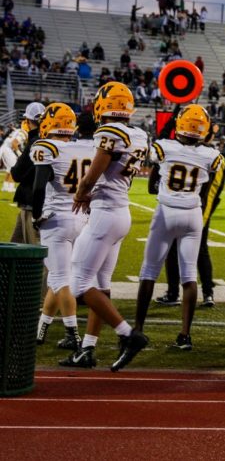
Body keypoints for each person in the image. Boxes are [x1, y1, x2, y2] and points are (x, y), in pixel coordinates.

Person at [62, 82, 150, 371]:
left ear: (103, 105)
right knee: (100, 284)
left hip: (104, 214)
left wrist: (81, 192)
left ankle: (128, 334)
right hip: (119, 211)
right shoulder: (140, 134)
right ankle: (87, 349)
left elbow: (94, 172)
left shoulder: (110, 132)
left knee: (79, 283)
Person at [132, 106, 223, 350]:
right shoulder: (211, 155)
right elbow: (206, 190)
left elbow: (152, 179)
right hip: (193, 214)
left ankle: (138, 328)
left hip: (166, 211)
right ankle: (184, 335)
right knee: (189, 276)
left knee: (149, 271)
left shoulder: (165, 147)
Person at [31, 105, 95, 351]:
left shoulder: (47, 148)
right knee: (59, 279)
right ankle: (42, 328)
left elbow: (38, 189)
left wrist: (37, 216)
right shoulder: (87, 146)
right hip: (83, 218)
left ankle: (72, 335)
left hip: (56, 219)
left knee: (59, 279)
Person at [10, 102, 46, 243]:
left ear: (27, 120)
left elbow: (17, 173)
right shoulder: (47, 139)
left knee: (34, 254)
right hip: (41, 201)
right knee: (15, 246)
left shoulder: (35, 141)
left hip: (32, 204)